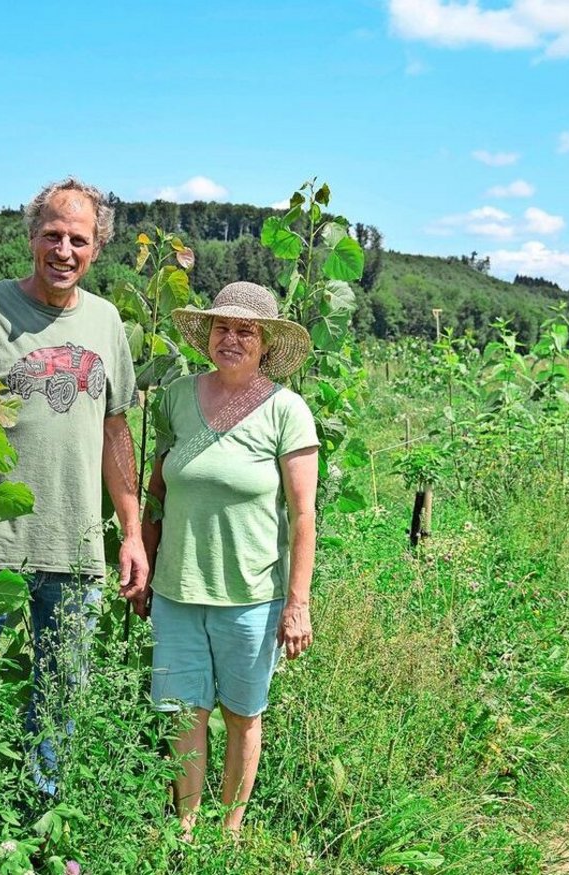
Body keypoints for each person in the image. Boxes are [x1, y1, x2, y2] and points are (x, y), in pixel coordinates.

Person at [0, 178, 148, 790]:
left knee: (61, 701)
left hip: (76, 544)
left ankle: (43, 825)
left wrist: (132, 532)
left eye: (79, 239)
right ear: (32, 237)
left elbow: (115, 431)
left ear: (97, 249)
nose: (64, 250)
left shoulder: (106, 322)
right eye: (52, 235)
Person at [139, 281, 319, 837]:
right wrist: (144, 564)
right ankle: (189, 827)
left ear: (265, 343)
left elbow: (303, 515)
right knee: (184, 713)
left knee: (242, 714)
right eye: (223, 327)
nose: (232, 338)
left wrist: (298, 604)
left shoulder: (285, 410)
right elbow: (156, 493)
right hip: (176, 590)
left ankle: (230, 831)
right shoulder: (177, 396)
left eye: (246, 331)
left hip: (251, 597)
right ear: (207, 335)